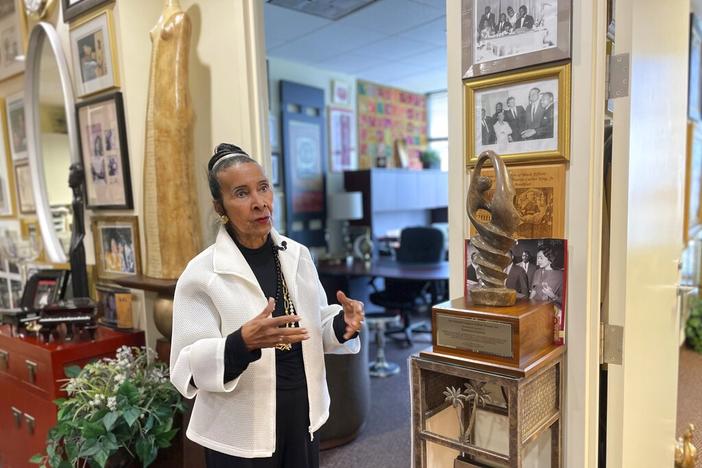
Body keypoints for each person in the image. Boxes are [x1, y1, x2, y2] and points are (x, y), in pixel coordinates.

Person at [170, 144, 364, 467]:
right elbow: (185, 367)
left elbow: (313, 325)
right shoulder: (202, 274)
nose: (259, 203)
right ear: (220, 206)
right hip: (241, 430)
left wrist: (343, 325)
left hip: (302, 415)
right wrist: (240, 343)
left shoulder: (297, 255)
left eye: (263, 188)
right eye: (242, 194)